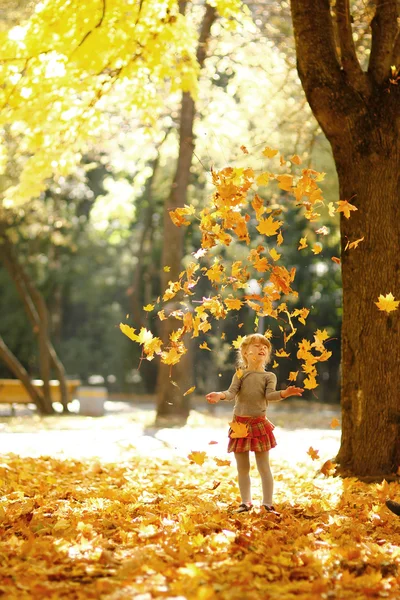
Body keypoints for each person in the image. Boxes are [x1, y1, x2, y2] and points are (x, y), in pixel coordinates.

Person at [205, 333, 303, 514]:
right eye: (257, 345)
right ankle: (245, 503)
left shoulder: (269, 376)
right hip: (239, 426)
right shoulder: (240, 374)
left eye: (265, 347)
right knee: (243, 468)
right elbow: (231, 392)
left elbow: (270, 395)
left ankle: (267, 504)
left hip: (259, 425)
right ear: (244, 352)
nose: (262, 348)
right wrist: (220, 395)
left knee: (263, 467)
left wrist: (284, 393)